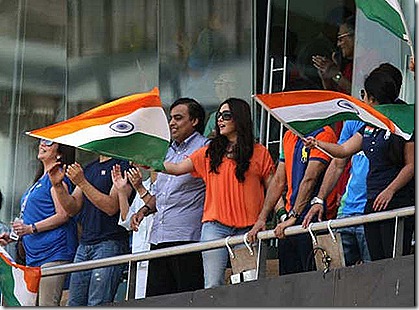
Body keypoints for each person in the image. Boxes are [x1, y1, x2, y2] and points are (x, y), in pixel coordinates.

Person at [304, 68, 415, 261]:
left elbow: (411, 165)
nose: (362, 100)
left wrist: (390, 190)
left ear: (373, 98)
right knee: (376, 264)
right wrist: (318, 144)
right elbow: (344, 150)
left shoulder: (405, 121)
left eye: (364, 95)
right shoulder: (370, 124)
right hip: (372, 203)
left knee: (394, 261)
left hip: (397, 202)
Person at [163, 98, 275, 288]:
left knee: (250, 287)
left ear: (239, 118)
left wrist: (267, 217)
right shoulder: (209, 151)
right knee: (212, 285)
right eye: (219, 117)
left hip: (250, 229)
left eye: (226, 116)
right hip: (215, 227)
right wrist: (151, 161)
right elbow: (177, 167)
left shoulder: (259, 152)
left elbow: (274, 189)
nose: (220, 120)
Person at [129, 98, 208, 297]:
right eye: (170, 118)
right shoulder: (167, 151)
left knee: (187, 300)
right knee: (157, 302)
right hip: (158, 238)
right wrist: (144, 209)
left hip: (187, 238)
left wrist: (149, 162)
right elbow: (163, 197)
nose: (172, 122)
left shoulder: (206, 148)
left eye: (178, 118)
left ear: (195, 121)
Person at [248, 125, 337, 275]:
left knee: (314, 280)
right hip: (290, 224)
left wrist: (293, 216)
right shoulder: (289, 134)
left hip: (313, 221)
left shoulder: (324, 134)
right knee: (289, 283)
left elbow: (310, 179)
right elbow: (278, 181)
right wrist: (262, 218)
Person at [48, 154, 133, 306]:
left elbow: (112, 207)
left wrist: (82, 182)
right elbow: (72, 208)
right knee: (74, 303)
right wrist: (58, 186)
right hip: (85, 244)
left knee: (98, 303)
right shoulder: (89, 168)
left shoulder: (123, 165)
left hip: (110, 243)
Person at [10, 139, 77, 306]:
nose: (42, 145)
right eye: (41, 141)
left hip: (53, 252)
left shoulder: (57, 177)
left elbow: (63, 215)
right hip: (34, 256)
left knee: (47, 304)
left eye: (48, 142)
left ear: (59, 152)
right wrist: (13, 235)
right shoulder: (40, 179)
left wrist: (31, 228)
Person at [112, 164, 156, 299]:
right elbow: (128, 221)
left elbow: (156, 206)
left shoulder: (167, 184)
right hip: (139, 255)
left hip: (156, 252)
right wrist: (121, 191)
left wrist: (139, 188)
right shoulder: (145, 184)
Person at [312, 15, 355, 96]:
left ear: (355, 36)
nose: (338, 44)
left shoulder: (370, 61)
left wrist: (335, 74)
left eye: (340, 38)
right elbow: (336, 97)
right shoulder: (349, 66)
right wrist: (327, 79)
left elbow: (359, 94)